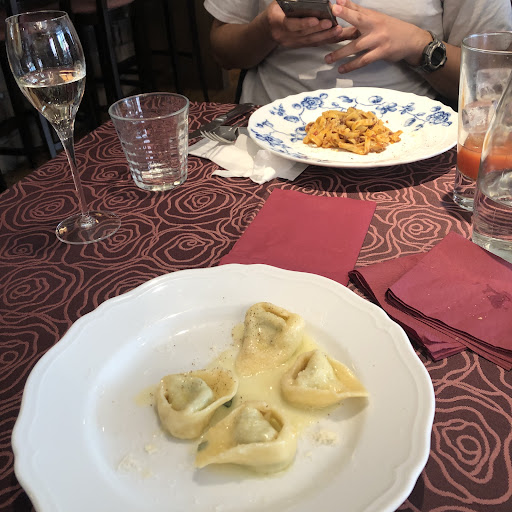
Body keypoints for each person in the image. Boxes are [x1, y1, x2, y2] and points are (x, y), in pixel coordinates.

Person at [203, 0, 512, 105]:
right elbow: (222, 51)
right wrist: (264, 30)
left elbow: (492, 83)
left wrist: (420, 47)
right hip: (269, 137)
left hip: (410, 144)